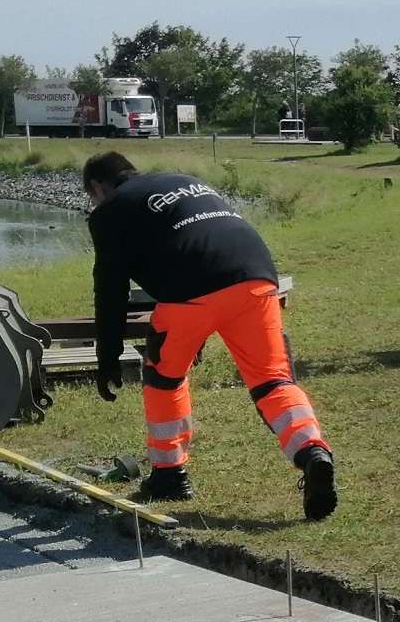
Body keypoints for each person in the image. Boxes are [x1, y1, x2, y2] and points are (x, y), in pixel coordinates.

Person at [80, 150, 337, 519]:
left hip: (190, 291)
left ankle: (169, 474)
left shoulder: (109, 210)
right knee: (272, 381)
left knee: (164, 378)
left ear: (97, 186)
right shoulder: (183, 181)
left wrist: (107, 356)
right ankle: (312, 452)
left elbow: (109, 288)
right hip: (255, 277)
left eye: (92, 196)